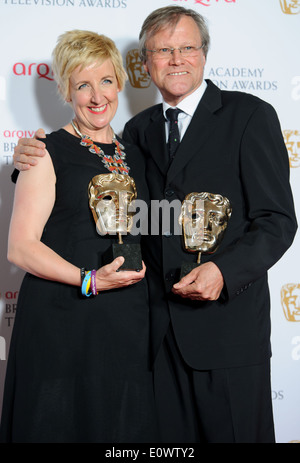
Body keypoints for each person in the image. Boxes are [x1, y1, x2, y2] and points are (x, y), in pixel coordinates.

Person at [11, 6, 298, 443]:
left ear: (204, 53)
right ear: (145, 63)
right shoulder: (138, 132)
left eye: (187, 47)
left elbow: (277, 219)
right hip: (153, 343)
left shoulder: (249, 116)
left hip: (226, 337)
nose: (176, 58)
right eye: (163, 50)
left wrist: (224, 271)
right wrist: (24, 162)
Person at [0, 30, 158, 443]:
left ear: (120, 83)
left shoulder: (138, 154)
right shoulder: (44, 152)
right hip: (63, 321)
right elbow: (20, 247)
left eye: (105, 80)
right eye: (82, 84)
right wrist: (89, 280)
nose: (96, 95)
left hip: (127, 323)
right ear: (66, 92)